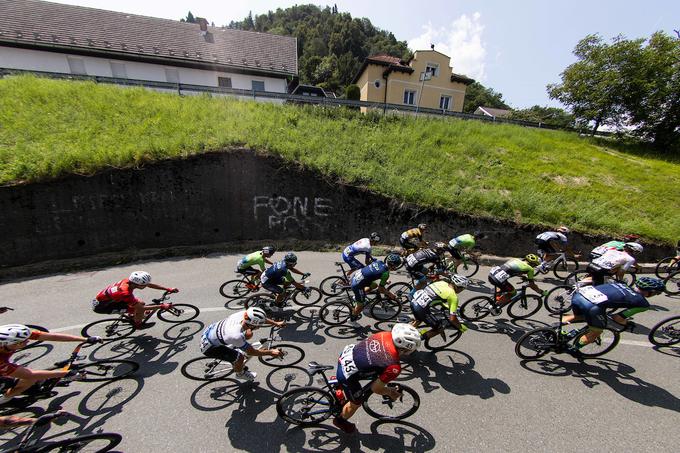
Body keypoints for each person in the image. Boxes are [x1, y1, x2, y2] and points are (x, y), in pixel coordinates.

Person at [332, 323, 421, 434]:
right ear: (405, 349)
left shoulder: (384, 334)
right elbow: (376, 388)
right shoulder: (394, 366)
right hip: (347, 374)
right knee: (356, 402)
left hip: (347, 354)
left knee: (374, 371)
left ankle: (339, 385)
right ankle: (340, 421)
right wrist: (389, 392)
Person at [0, 325, 101, 403]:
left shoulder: (11, 339)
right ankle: (5, 400)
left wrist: (85, 339)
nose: (28, 341)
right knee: (30, 379)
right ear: (10, 344)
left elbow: (51, 336)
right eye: (24, 341)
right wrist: (66, 373)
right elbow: (29, 374)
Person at [563, 277, 665, 351]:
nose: (656, 295)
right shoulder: (643, 303)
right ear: (651, 292)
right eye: (657, 293)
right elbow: (618, 318)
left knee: (579, 317)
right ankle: (574, 349)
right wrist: (627, 324)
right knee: (596, 332)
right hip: (592, 305)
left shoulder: (622, 284)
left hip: (579, 295)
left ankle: (554, 329)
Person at [199, 307, 285, 382]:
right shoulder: (236, 336)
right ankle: (240, 374)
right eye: (259, 325)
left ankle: (237, 348)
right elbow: (252, 352)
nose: (259, 327)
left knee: (248, 334)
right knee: (240, 358)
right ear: (252, 325)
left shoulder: (244, 315)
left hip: (210, 333)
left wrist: (275, 323)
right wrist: (270, 352)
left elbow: (259, 319)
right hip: (210, 348)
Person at [91, 271, 178, 330]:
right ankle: (138, 325)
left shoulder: (128, 281)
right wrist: (162, 306)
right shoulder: (125, 293)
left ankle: (132, 316)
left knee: (141, 303)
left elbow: (149, 285)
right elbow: (141, 308)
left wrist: (167, 288)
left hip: (111, 299)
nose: (145, 286)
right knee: (139, 309)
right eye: (143, 285)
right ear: (137, 284)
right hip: (103, 307)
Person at [410, 275, 469, 339]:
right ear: (458, 287)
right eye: (463, 288)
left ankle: (404, 333)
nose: (462, 290)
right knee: (439, 328)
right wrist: (460, 327)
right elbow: (452, 319)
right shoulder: (453, 296)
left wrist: (443, 304)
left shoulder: (442, 283)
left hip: (414, 301)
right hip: (420, 308)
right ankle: (415, 340)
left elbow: (432, 296)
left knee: (419, 320)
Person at [349, 254, 402, 319]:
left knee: (374, 285)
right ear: (393, 266)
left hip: (356, 276)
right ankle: (352, 318)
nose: (396, 268)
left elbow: (375, 271)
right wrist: (390, 294)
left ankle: (357, 297)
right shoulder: (385, 274)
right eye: (397, 266)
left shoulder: (379, 262)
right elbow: (381, 289)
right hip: (357, 285)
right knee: (361, 306)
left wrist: (385, 280)